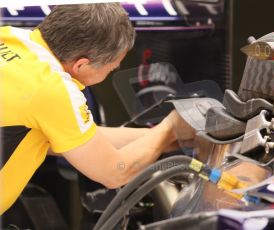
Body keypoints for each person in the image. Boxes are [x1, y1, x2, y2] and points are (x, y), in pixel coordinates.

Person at [0, 3, 194, 215]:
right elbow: (114, 172)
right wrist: (169, 126)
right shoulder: (51, 88)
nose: (110, 72)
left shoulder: (9, 37)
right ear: (81, 65)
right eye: (111, 69)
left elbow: (79, 139)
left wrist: (158, 138)